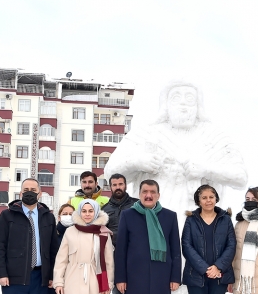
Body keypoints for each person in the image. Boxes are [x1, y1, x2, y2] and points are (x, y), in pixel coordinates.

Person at [103, 81, 247, 216]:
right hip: (153, 219)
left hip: (200, 223)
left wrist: (206, 169)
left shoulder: (214, 136)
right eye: (176, 97)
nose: (183, 103)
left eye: (189, 98)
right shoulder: (144, 134)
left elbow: (240, 177)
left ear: (198, 104)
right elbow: (110, 173)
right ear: (166, 104)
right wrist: (137, 162)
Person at [103, 173, 138, 294]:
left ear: (125, 185)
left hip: (136, 257)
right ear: (110, 187)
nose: (118, 187)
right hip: (115, 257)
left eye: (121, 184)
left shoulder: (136, 204)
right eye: (114, 184)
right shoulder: (104, 209)